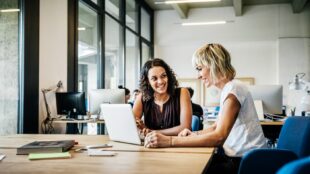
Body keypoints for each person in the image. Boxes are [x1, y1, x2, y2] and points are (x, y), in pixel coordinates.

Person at [144, 44, 267, 174]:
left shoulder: (234, 90)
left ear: (214, 64)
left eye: (199, 69)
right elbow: (215, 127)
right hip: (237, 157)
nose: (198, 75)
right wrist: (193, 134)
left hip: (246, 162)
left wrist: (169, 141)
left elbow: (219, 137)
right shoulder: (229, 89)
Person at [133, 58, 192, 136]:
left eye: (163, 76)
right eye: (154, 78)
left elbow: (185, 127)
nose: (160, 81)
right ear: (147, 81)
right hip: (151, 146)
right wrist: (138, 127)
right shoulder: (141, 98)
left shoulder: (182, 93)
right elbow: (131, 125)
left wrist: (151, 132)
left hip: (177, 146)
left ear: (168, 76)